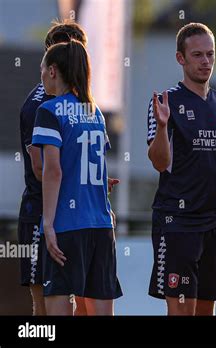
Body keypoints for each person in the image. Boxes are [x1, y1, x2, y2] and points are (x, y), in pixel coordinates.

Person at [146, 22, 216, 316]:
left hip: (213, 222)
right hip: (177, 221)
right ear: (180, 58)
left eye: (210, 54)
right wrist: (161, 126)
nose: (206, 61)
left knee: (205, 311)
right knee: (183, 310)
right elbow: (159, 162)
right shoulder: (165, 103)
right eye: (197, 55)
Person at [17, 19, 106, 316]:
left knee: (81, 302)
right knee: (45, 303)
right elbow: (45, 171)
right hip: (43, 212)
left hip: (77, 216)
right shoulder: (41, 107)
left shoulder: (86, 106)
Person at [31, 39, 122, 315]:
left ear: (54, 71)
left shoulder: (48, 111)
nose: (42, 76)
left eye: (43, 70)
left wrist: (48, 225)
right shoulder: (94, 112)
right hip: (101, 224)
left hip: (67, 225)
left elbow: (53, 170)